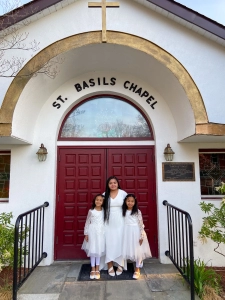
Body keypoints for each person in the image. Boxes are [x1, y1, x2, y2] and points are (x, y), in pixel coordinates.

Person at [122, 193, 152, 279]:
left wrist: (141, 236)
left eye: (132, 201)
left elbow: (141, 224)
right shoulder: (123, 211)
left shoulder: (137, 212)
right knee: (131, 249)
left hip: (136, 232)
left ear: (135, 202)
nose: (130, 203)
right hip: (127, 232)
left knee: (138, 250)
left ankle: (137, 268)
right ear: (125, 201)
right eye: (128, 201)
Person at [103, 176, 127, 276]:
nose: (113, 184)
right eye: (110, 183)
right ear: (108, 185)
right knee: (108, 242)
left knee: (121, 242)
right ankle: (109, 264)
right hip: (108, 222)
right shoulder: (104, 195)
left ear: (118, 184)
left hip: (121, 221)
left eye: (114, 183)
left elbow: (129, 206)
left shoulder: (123, 193)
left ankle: (121, 265)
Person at [81, 194, 105, 279]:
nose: (98, 201)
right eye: (97, 200)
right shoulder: (91, 211)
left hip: (100, 232)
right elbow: (87, 222)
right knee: (92, 250)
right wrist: (86, 233)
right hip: (92, 232)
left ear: (103, 202)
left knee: (98, 250)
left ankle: (97, 268)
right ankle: (93, 268)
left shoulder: (104, 211)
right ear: (94, 201)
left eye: (100, 200)